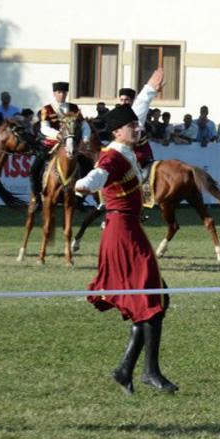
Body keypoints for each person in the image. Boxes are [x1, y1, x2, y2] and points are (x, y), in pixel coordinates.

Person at [75, 104, 177, 394]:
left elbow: (140, 112)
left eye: (136, 124)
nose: (138, 128)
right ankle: (149, 372)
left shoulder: (126, 150)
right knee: (152, 297)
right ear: (118, 132)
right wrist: (83, 185)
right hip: (123, 232)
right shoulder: (114, 157)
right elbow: (99, 174)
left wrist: (151, 90)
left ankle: (127, 370)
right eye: (132, 126)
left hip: (130, 229)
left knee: (154, 296)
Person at [30, 81, 90, 199]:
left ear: (67, 93)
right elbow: (44, 128)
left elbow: (85, 125)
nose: (61, 95)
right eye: (59, 92)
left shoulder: (74, 108)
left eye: (64, 92)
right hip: (52, 144)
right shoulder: (47, 109)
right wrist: (57, 134)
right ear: (54, 93)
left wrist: (85, 139)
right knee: (35, 169)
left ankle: (80, 196)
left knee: (87, 165)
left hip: (71, 143)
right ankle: (36, 196)